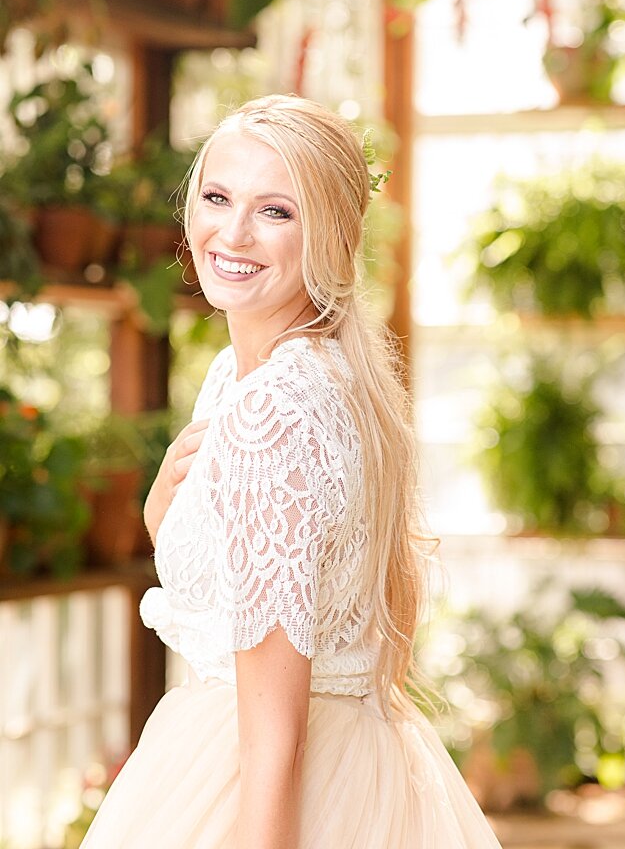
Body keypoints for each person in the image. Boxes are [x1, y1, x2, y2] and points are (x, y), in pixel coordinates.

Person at [82, 96, 501, 848]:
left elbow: (275, 732)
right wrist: (161, 515)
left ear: (330, 238)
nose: (233, 233)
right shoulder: (298, 375)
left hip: (261, 779)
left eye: (275, 211)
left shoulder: (272, 409)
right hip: (356, 759)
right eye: (217, 198)